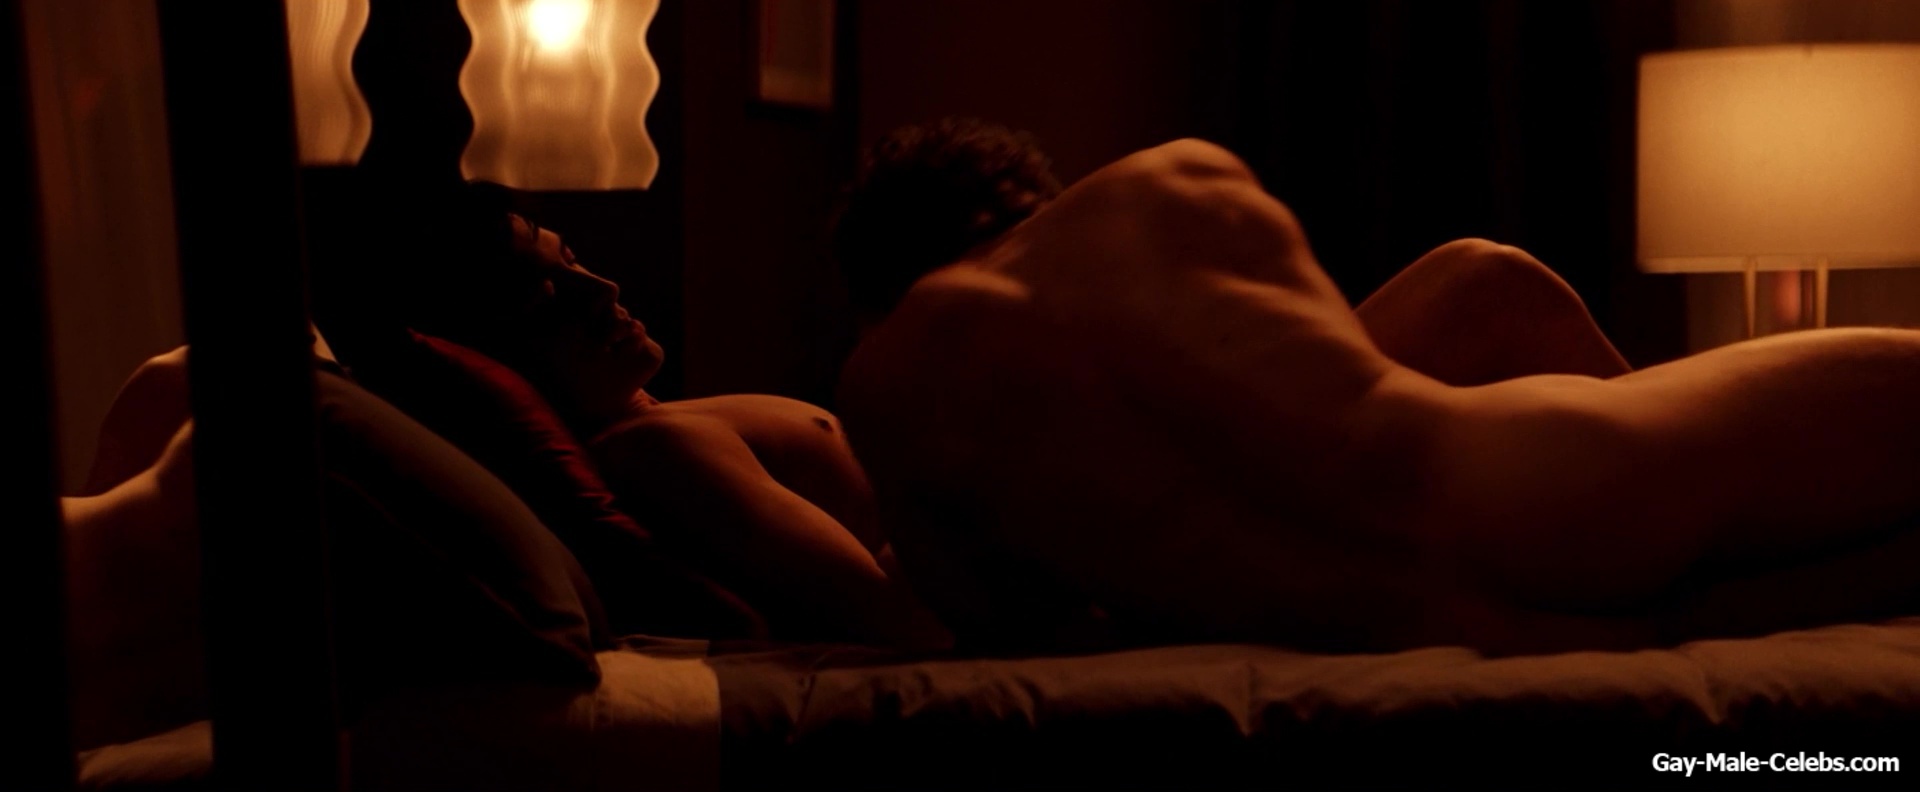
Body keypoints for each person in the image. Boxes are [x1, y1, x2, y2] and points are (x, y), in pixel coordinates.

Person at [834, 134, 1920, 657]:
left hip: (1422, 625)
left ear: (880, 290)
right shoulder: (1166, 181)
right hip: (1541, 480)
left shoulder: (886, 386)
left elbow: (998, 620)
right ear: (1042, 194)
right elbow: (1374, 371)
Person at [334, 182, 949, 650]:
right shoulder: (663, 449)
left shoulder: (667, 424)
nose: (604, 288)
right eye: (548, 299)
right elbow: (898, 616)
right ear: (497, 346)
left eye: (573, 258)